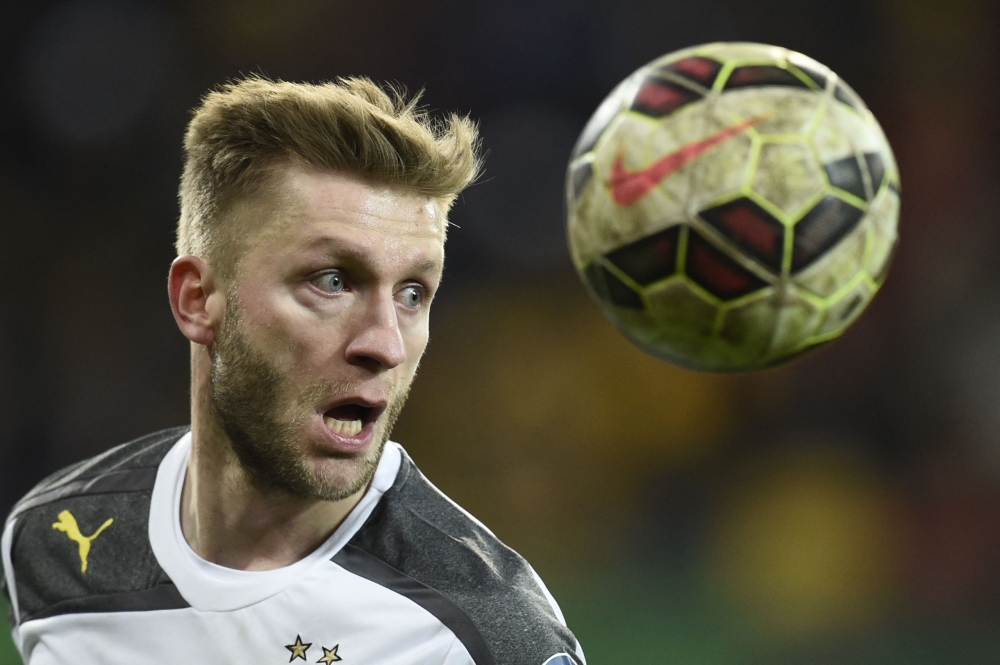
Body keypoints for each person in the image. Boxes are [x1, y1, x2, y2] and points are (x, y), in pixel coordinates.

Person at [1, 76, 585, 665]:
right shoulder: (54, 544)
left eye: (413, 293)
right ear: (197, 300)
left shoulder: (486, 634)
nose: (385, 343)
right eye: (333, 281)